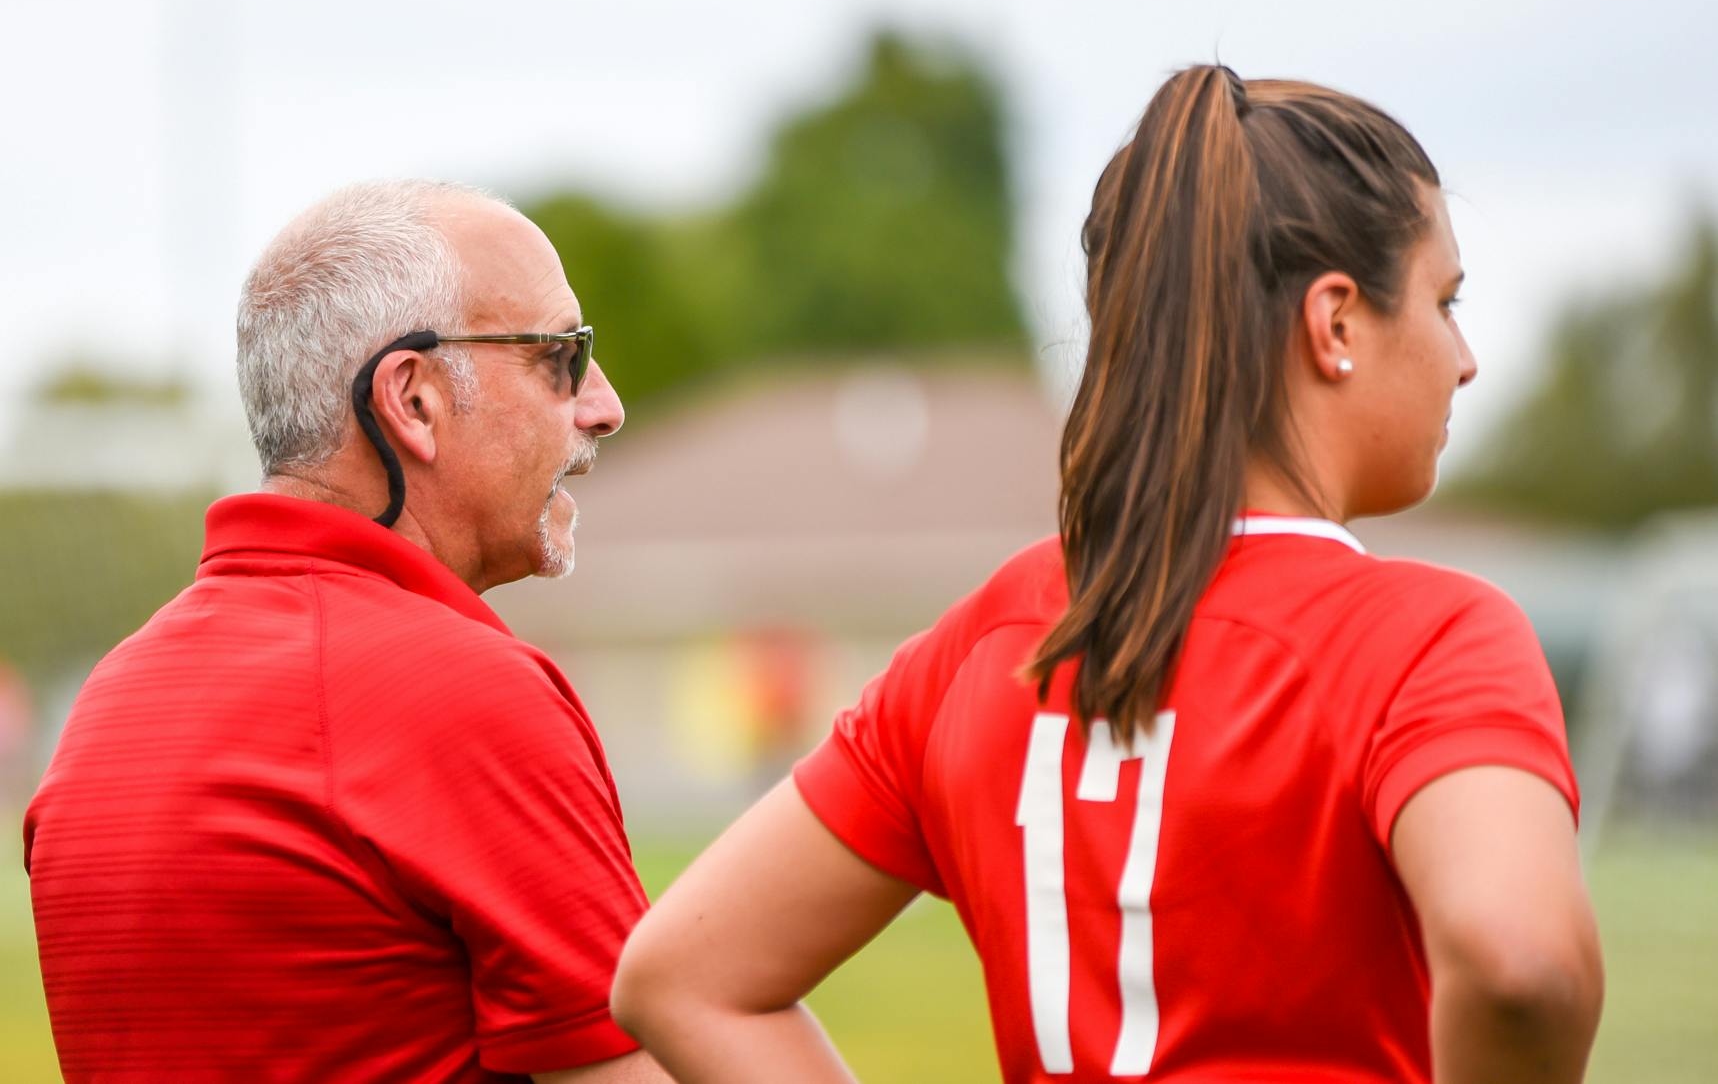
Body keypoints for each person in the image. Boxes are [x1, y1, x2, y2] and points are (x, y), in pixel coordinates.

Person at [611, 67, 1605, 1083]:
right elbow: (1520, 963)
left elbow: (681, 976)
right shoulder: (1431, 636)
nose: (1464, 358)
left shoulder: (988, 641)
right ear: (1335, 322)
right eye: (1444, 300)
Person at [25, 181, 669, 1083]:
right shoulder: (467, 694)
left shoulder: (108, 707)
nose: (603, 404)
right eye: (560, 357)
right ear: (412, 399)